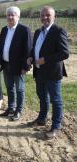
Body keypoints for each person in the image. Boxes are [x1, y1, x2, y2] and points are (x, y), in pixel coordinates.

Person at [27, 6, 69, 138]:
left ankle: (56, 127)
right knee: (42, 96)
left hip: (52, 73)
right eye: (42, 15)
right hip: (39, 72)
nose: (44, 17)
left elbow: (64, 53)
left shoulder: (59, 31)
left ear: (54, 17)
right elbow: (35, 48)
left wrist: (45, 59)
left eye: (48, 15)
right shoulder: (38, 32)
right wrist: (31, 57)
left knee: (55, 100)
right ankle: (42, 119)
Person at [0, 6, 32, 121]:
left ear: (18, 16)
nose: (10, 17)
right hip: (6, 64)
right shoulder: (4, 29)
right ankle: (11, 108)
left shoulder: (24, 29)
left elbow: (28, 49)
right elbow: (0, 47)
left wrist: (26, 67)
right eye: (8, 15)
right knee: (9, 87)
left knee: (20, 89)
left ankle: (19, 110)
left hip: (19, 66)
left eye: (13, 14)